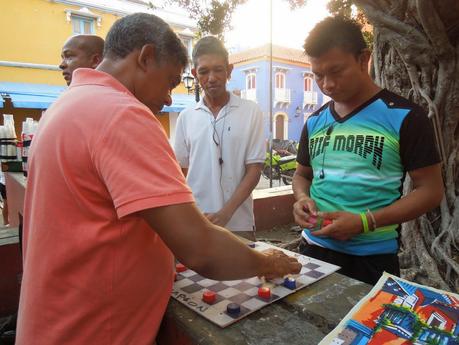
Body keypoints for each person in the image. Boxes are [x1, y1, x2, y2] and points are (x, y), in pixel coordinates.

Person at [16, 13, 301, 345]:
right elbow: (200, 248)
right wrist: (269, 260)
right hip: (93, 330)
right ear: (145, 57)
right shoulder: (122, 114)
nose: (168, 99)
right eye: (169, 81)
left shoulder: (62, 107)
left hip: (52, 323)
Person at [292, 16, 444, 286]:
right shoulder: (314, 122)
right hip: (312, 252)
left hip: (371, 260)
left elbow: (431, 191)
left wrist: (366, 221)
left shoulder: (404, 117)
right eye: (317, 75)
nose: (326, 84)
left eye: (336, 71)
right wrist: (301, 198)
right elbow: (302, 175)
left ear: (364, 59)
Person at [174, 36, 265, 241]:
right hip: (197, 221)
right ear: (195, 74)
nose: (212, 78)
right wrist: (189, 216)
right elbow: (181, 173)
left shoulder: (251, 111)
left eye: (218, 69)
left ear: (229, 71)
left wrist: (226, 213)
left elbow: (254, 170)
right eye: (204, 71)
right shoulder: (186, 117)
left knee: (243, 273)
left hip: (239, 222)